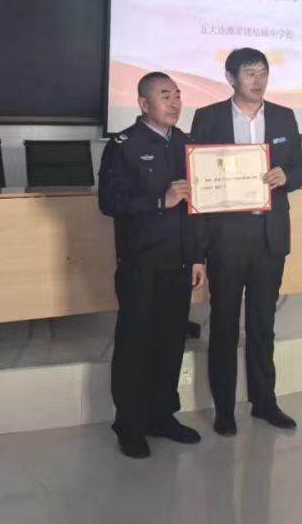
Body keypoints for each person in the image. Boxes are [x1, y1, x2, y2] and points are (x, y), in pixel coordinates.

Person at [190, 47, 302, 436]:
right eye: (249, 73)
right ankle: (224, 409)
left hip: (268, 237)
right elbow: (196, 180)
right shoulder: (208, 118)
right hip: (226, 239)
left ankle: (264, 402)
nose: (258, 81)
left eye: (263, 73)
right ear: (230, 78)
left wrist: (287, 177)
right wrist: (199, 249)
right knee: (224, 324)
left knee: (263, 323)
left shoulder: (283, 116)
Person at [98, 71, 207, 459]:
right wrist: (161, 200)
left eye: (177, 95)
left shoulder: (186, 144)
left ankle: (162, 416)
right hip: (141, 262)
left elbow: (196, 208)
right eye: (165, 96)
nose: (175, 103)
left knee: (170, 342)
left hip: (179, 262)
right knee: (135, 343)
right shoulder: (123, 146)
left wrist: (197, 257)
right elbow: (109, 203)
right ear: (144, 103)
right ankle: (129, 424)